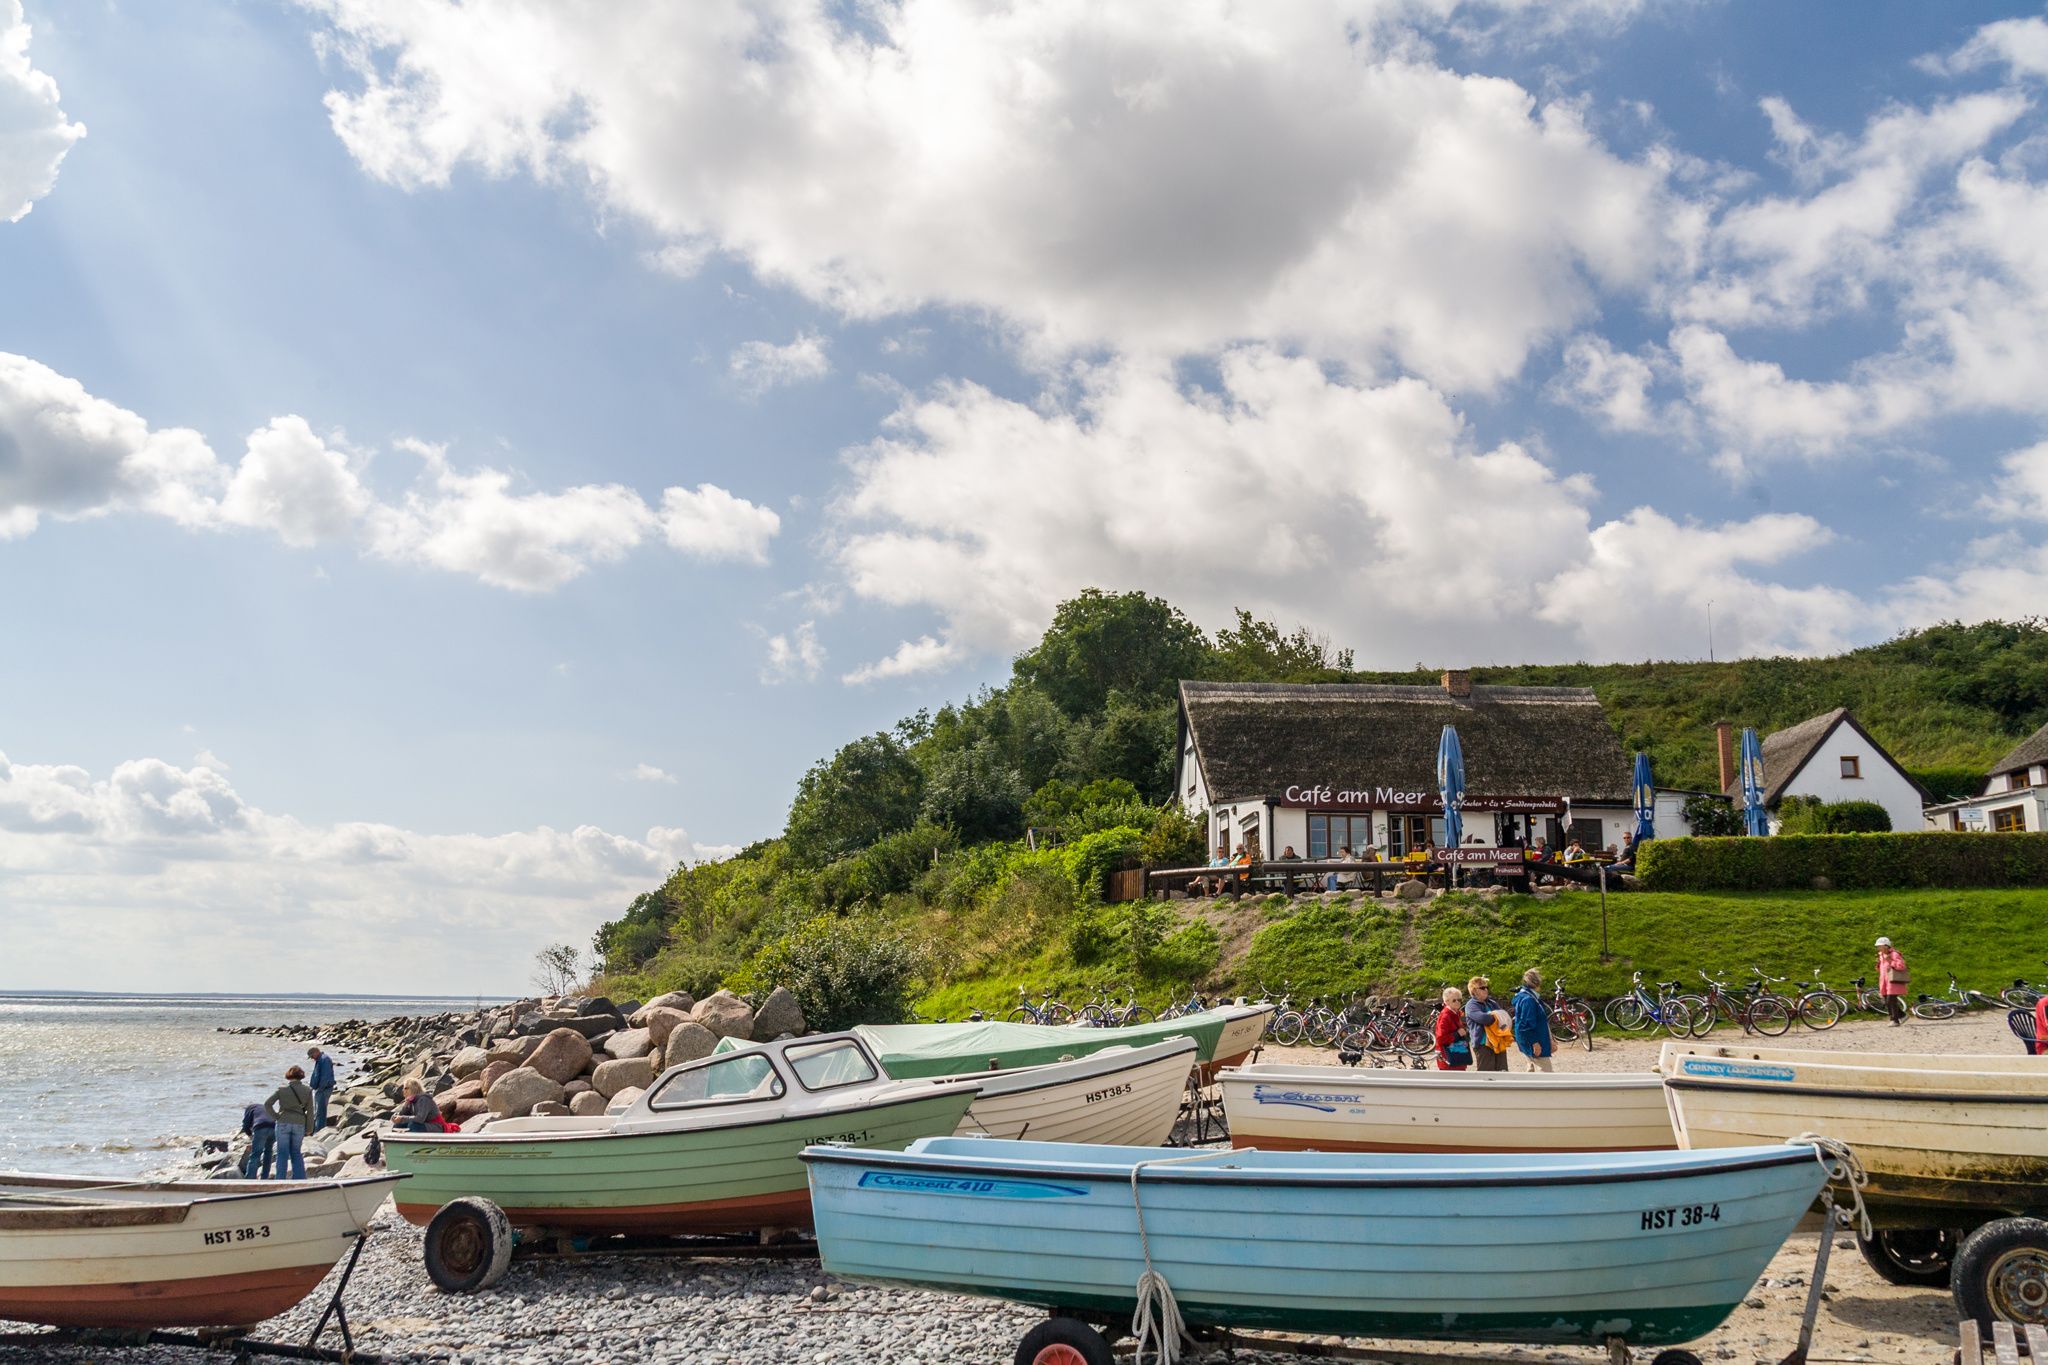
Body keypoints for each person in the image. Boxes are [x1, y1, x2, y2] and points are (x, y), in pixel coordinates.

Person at [264, 1065, 315, 1180]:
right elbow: (311, 1112)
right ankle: (300, 1179)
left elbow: (267, 1104)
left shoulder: (282, 1090)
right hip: (299, 1123)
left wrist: (276, 1117)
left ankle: (280, 1180)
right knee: (296, 1152)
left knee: (282, 1153)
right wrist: (309, 1129)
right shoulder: (307, 1090)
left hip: (283, 1122)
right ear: (301, 1076)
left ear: (288, 1076)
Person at [1465, 976, 1511, 1072]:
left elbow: (1504, 1016)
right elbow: (1484, 1019)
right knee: (1486, 1074)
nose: (1486, 989)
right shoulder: (1471, 1005)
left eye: (1487, 987)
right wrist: (1496, 1016)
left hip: (1498, 1041)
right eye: (1482, 988)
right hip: (1483, 1045)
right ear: (1474, 991)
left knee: (1502, 1072)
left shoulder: (1491, 1002)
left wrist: (1494, 1015)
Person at [1511, 969, 1554, 1072]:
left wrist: (1551, 1039)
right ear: (1537, 983)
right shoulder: (1529, 1000)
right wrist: (1534, 1043)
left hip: (1527, 1039)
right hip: (1533, 1040)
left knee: (1531, 1068)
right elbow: (1526, 1024)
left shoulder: (1526, 996)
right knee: (1546, 1072)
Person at [1434, 986, 1471, 1070]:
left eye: (1459, 1000)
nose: (1457, 1002)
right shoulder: (1446, 1016)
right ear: (1446, 1001)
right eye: (1454, 1000)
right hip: (1449, 1059)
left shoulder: (1455, 1013)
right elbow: (1440, 1039)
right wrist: (1457, 1034)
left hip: (1456, 1056)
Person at [1876, 936, 1910, 1026]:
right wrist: (1878, 965)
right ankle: (1902, 1015)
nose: (1878, 948)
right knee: (1886, 1001)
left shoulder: (1894, 954)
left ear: (1886, 946)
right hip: (1884, 981)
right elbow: (1881, 969)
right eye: (1878, 946)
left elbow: (1901, 966)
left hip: (1893, 981)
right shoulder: (1881, 955)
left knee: (1890, 1001)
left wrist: (1890, 961)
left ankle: (1894, 1020)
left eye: (1880, 946)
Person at [239, 1100, 276, 1179]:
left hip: (260, 1128)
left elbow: (246, 1125)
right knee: (268, 1153)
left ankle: (250, 1178)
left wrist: (250, 1135)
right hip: (273, 1127)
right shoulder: (264, 1108)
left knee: (255, 1154)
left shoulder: (249, 1108)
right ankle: (264, 1177)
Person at [307, 1046, 336, 1133]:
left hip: (324, 1089)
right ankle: (318, 1129)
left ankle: (319, 1131)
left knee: (320, 1112)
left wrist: (320, 1089)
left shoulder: (324, 1060)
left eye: (312, 1056)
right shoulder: (321, 1059)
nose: (312, 1058)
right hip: (321, 1088)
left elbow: (325, 1077)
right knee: (319, 1111)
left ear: (316, 1052)